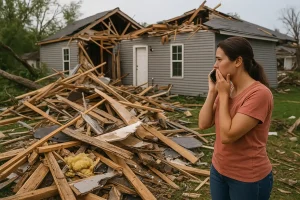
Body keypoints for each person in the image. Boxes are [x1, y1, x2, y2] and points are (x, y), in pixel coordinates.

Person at [198, 36, 273, 200]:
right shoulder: (227, 88)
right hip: (219, 170)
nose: (215, 65)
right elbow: (203, 123)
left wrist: (223, 95)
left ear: (238, 61)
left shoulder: (259, 94)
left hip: (247, 178)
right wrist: (213, 92)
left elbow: (227, 136)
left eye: (219, 59)